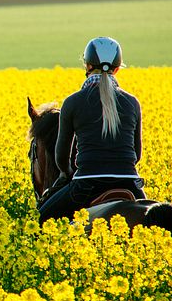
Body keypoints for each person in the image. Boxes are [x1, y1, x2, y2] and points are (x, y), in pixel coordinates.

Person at [38, 37, 146, 224]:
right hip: (130, 183)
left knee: (41, 220)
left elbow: (61, 157)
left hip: (87, 184)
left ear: (87, 66)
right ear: (118, 69)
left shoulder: (73, 102)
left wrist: (66, 172)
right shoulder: (132, 103)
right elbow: (136, 155)